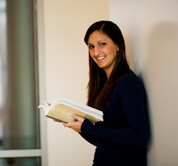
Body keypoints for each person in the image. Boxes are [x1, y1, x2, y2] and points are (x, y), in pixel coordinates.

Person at [61, 21, 149, 166]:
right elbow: (102, 141)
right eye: (91, 47)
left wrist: (88, 127)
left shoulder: (127, 83)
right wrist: (76, 125)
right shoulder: (103, 85)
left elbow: (139, 137)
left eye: (102, 44)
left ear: (118, 45)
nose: (96, 53)